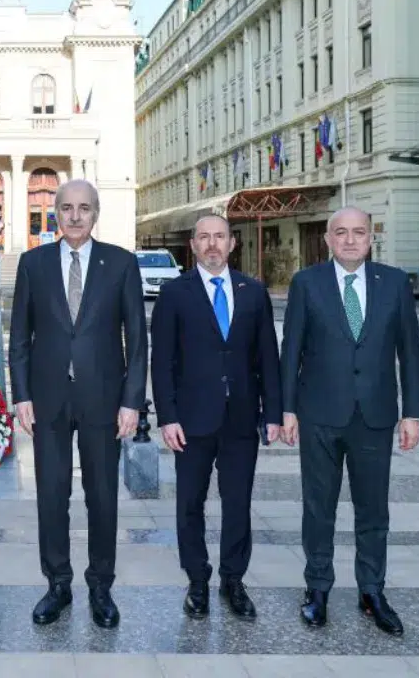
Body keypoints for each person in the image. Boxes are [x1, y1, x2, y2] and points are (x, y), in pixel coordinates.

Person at [279, 206, 419, 636]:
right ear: (327, 239)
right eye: (340, 232)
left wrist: (412, 412)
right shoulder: (307, 283)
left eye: (358, 232)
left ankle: (372, 591)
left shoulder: (394, 283)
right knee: (318, 508)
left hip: (375, 416)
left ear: (370, 238)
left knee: (373, 510)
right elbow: (292, 351)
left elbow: (410, 353)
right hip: (320, 414)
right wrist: (287, 410)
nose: (349, 240)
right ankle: (318, 589)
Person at [8, 178, 147, 628]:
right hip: (48, 400)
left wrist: (132, 402)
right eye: (66, 207)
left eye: (83, 208)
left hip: (103, 400)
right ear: (55, 213)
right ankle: (58, 583)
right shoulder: (33, 264)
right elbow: (19, 340)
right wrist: (22, 394)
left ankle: (101, 585)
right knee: (51, 494)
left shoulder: (121, 264)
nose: (74, 216)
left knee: (103, 496)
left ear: (95, 213)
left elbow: (137, 339)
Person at [151, 214, 281, 622]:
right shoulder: (175, 293)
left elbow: (268, 359)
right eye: (204, 238)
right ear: (192, 245)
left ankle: (233, 581)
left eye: (219, 237)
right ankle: (197, 580)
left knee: (238, 503)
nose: (212, 244)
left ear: (232, 243)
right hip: (190, 420)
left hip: (242, 418)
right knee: (190, 503)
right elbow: (162, 362)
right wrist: (167, 416)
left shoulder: (253, 292)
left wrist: (272, 413)